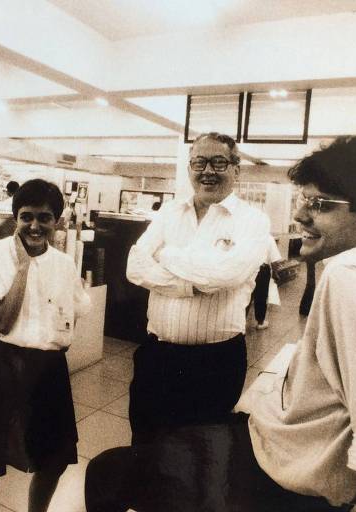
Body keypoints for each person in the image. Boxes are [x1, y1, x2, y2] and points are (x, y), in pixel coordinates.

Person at [86, 136, 356, 512]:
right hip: (173, 364)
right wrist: (193, 280)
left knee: (108, 472)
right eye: (304, 201)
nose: (301, 215)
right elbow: (137, 266)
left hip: (281, 466)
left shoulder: (354, 275)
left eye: (318, 204)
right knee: (153, 447)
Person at [0, 179, 91, 512]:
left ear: (57, 222)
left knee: (54, 460)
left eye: (44, 217)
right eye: (26, 217)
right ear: (15, 218)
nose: (34, 226)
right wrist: (23, 267)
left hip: (48, 367)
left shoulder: (64, 264)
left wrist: (56, 339)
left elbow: (77, 310)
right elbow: (3, 321)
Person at [125, 132, 270, 444]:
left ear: (236, 170)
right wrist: (187, 287)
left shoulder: (252, 220)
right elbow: (134, 266)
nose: (208, 171)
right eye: (199, 162)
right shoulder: (169, 211)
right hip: (158, 355)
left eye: (218, 163)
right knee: (146, 442)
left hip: (215, 362)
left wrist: (165, 255)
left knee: (201, 453)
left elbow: (226, 275)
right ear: (189, 167)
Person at [248, 235, 283, 329]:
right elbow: (275, 261)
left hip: (247, 269)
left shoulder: (246, 236)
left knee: (245, 295)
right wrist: (275, 274)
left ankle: (240, 323)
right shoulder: (268, 238)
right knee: (261, 296)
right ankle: (260, 322)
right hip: (262, 270)